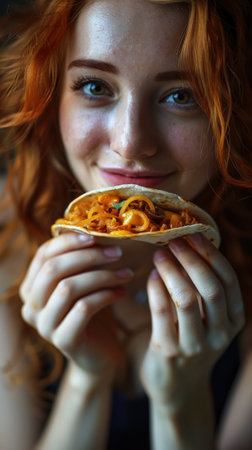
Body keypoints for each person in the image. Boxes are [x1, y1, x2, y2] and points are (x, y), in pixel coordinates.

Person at [0, 0, 251, 448]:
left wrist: (180, 401)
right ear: (52, 93)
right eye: (95, 86)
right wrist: (87, 379)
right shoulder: (3, 247)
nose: (131, 143)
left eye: (182, 95)